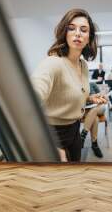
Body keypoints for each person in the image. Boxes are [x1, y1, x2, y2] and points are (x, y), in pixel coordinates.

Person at [31, 9, 107, 162]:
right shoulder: (52, 63)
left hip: (74, 131)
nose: (77, 33)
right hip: (53, 135)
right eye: (71, 28)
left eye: (83, 30)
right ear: (64, 33)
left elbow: (71, 94)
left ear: (89, 38)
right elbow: (31, 100)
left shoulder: (83, 65)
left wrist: (90, 98)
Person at [81, 82, 106, 158]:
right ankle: (94, 144)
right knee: (95, 118)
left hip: (98, 107)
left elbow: (102, 95)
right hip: (86, 109)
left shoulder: (92, 84)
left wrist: (100, 97)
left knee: (94, 110)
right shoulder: (78, 86)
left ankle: (83, 135)